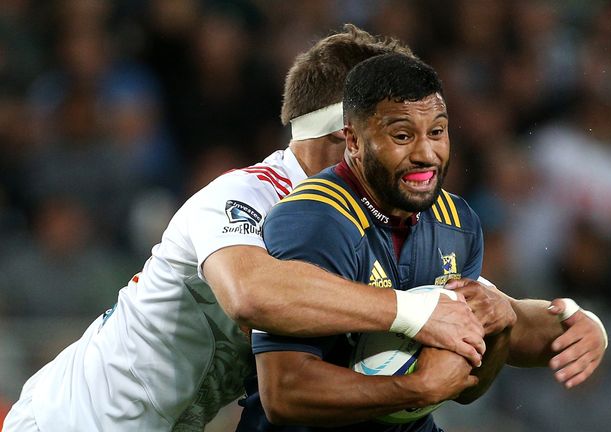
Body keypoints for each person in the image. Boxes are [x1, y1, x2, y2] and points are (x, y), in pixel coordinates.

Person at [2, 25, 486, 432]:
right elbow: (251, 295)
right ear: (350, 134)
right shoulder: (240, 196)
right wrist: (412, 311)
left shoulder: (358, 222)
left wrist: (548, 317)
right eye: (398, 130)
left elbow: (466, 300)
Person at [236, 52, 605, 432]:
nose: (426, 154)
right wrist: (415, 389)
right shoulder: (315, 220)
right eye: (402, 135)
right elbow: (284, 393)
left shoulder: (457, 223)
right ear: (354, 140)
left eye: (437, 132)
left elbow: (464, 389)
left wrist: (505, 325)